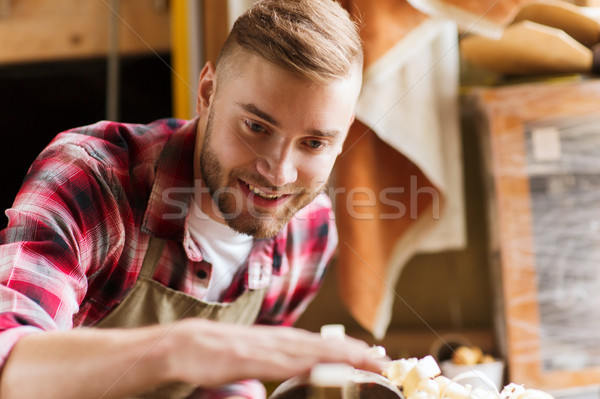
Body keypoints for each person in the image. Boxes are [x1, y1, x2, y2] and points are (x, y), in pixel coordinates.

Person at [0, 0, 383, 398]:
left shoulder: (310, 232)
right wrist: (180, 348)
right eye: (256, 126)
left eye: (315, 142)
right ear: (207, 92)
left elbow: (220, 375)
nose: (280, 173)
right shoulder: (90, 181)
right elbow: (11, 365)